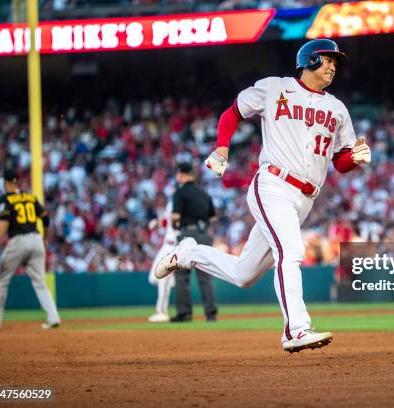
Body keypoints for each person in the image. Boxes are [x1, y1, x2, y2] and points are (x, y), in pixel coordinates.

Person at [156, 39, 371, 352]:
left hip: (305, 199)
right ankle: (296, 330)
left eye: (336, 62)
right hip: (273, 185)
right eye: (328, 60)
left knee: (244, 274)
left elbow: (339, 161)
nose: (333, 66)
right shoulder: (275, 88)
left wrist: (355, 159)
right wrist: (221, 147)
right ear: (309, 60)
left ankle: (187, 254)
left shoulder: (337, 108)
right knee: (291, 251)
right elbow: (232, 114)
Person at [0, 168, 61, 330]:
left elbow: (4, 223)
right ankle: (53, 317)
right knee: (40, 282)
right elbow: (45, 217)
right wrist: (44, 239)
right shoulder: (31, 197)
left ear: (6, 182)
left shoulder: (4, 199)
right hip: (36, 240)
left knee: (2, 280)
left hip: (18, 241)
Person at [169, 162, 218, 322]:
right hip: (203, 235)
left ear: (182, 174)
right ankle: (211, 314)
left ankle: (184, 313)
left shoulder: (180, 193)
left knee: (182, 275)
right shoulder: (204, 194)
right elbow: (213, 217)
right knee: (205, 277)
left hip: (187, 235)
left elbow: (175, 217)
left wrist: (177, 227)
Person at [147, 199, 177, 322]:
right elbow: (167, 221)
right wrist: (158, 223)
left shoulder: (185, 202)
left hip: (175, 244)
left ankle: (162, 312)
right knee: (153, 278)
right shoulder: (172, 202)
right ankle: (174, 280)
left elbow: (177, 221)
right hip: (166, 244)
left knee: (163, 278)